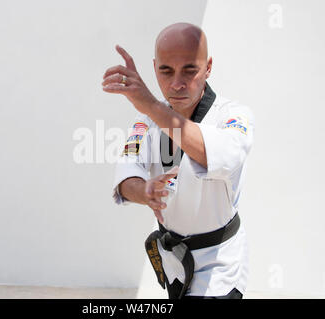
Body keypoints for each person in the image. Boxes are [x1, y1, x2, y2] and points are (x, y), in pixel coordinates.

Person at [102, 22, 254, 299]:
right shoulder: (146, 120)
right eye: (166, 71)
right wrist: (144, 191)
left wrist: (150, 104)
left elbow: (220, 156)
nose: (176, 84)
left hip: (219, 264)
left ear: (208, 67)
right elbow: (126, 174)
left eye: (190, 70)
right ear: (154, 67)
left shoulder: (233, 117)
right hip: (174, 260)